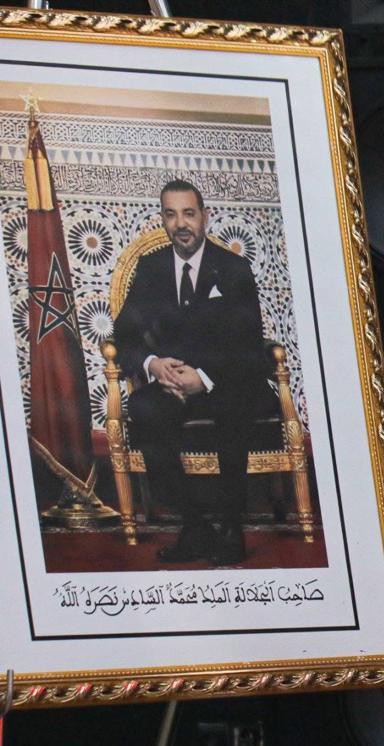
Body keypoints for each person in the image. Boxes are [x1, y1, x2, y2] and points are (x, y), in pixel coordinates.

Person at [114, 179, 266, 566]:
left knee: (235, 405)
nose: (180, 223)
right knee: (144, 410)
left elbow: (248, 342)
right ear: (162, 220)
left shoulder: (233, 269)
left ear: (204, 217)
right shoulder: (151, 269)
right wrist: (153, 365)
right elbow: (125, 333)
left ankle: (232, 526)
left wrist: (204, 378)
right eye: (171, 214)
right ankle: (194, 525)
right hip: (170, 381)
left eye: (188, 213)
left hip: (223, 377)